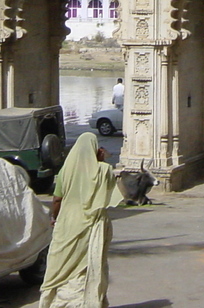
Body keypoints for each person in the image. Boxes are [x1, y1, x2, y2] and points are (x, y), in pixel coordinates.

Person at [41, 132, 125, 308]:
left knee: (62, 265)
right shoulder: (104, 170)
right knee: (89, 264)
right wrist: (101, 161)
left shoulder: (66, 169)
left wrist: (54, 218)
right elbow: (110, 194)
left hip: (67, 223)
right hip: (94, 223)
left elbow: (57, 199)